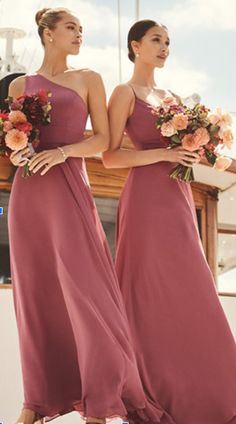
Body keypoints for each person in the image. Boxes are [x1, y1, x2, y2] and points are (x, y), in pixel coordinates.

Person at [8, 10, 175, 424]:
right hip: (28, 191)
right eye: (70, 28)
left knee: (89, 295)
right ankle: (37, 402)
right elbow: (16, 134)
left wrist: (63, 152)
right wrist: (17, 150)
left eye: (81, 29)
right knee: (35, 298)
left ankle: (100, 401)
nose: (79, 34)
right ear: (47, 34)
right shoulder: (18, 85)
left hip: (69, 188)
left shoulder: (89, 79)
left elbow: (101, 140)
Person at [103, 19, 236, 424]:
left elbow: (183, 150)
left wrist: (192, 153)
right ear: (135, 45)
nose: (164, 47)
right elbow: (110, 157)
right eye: (156, 40)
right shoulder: (123, 93)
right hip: (144, 198)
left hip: (178, 196)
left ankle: (213, 391)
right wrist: (163, 155)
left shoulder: (173, 96)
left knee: (192, 287)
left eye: (168, 41)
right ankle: (152, 387)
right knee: (145, 291)